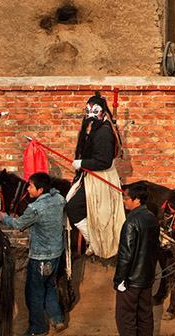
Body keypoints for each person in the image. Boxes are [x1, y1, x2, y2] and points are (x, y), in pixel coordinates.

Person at [0, 172, 68, 336]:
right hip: (56, 254)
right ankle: (57, 319)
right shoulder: (59, 200)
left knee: (34, 293)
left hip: (40, 258)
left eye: (30, 186)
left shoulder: (35, 208)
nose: (28, 189)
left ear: (40, 189)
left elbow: (18, 224)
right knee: (50, 285)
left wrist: (4, 217)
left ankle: (37, 328)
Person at [65, 91, 125, 258]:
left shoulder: (104, 133)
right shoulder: (100, 128)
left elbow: (104, 161)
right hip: (91, 175)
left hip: (101, 177)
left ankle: (93, 241)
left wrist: (82, 163)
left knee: (73, 207)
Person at [114, 182, 160, 336]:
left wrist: (119, 279)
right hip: (147, 279)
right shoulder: (152, 218)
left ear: (137, 200)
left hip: (131, 280)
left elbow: (125, 255)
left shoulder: (131, 222)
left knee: (125, 317)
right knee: (145, 315)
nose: (124, 201)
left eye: (126, 198)